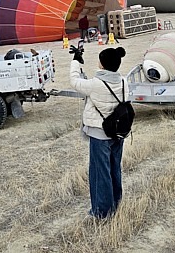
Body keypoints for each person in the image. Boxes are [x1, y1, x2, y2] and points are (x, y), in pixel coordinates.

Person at [69, 44, 128, 218]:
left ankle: (102, 211)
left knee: (100, 172)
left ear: (102, 65)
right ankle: (115, 204)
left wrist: (75, 62)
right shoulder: (124, 81)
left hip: (99, 134)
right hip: (118, 132)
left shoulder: (96, 84)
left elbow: (74, 82)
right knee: (114, 168)